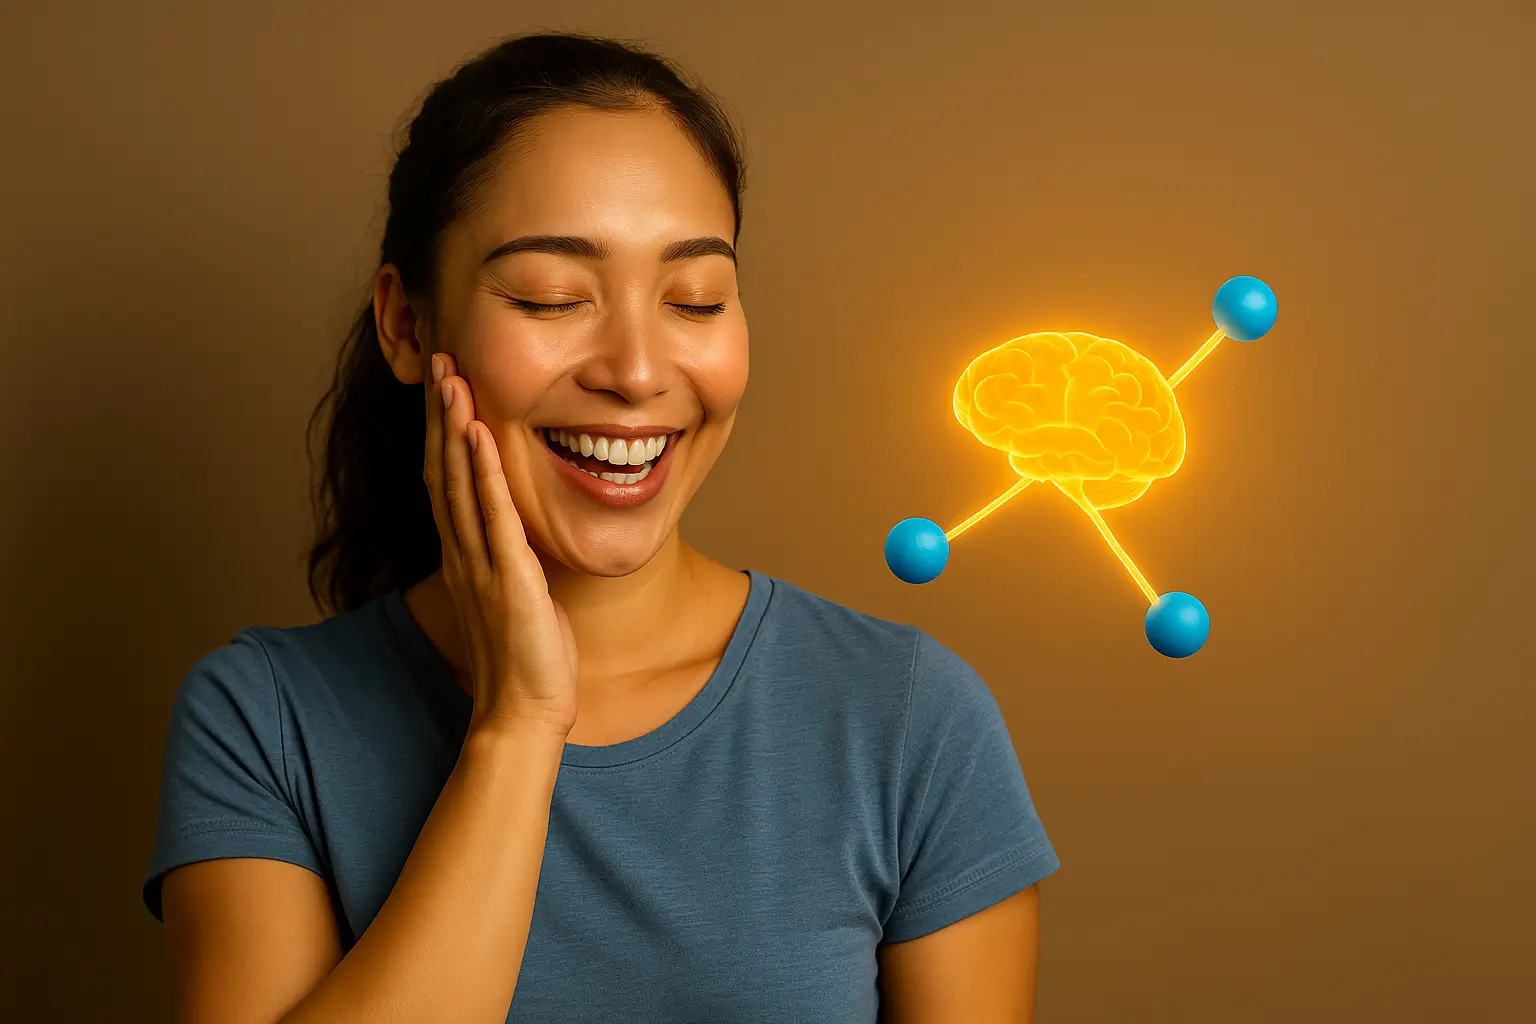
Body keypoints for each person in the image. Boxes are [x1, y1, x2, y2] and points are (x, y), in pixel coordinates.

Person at [143, 31, 1060, 1024]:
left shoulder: (907, 717)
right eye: (552, 297)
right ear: (409, 324)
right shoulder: (263, 720)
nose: (635, 369)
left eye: (694, 299)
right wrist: (518, 725)